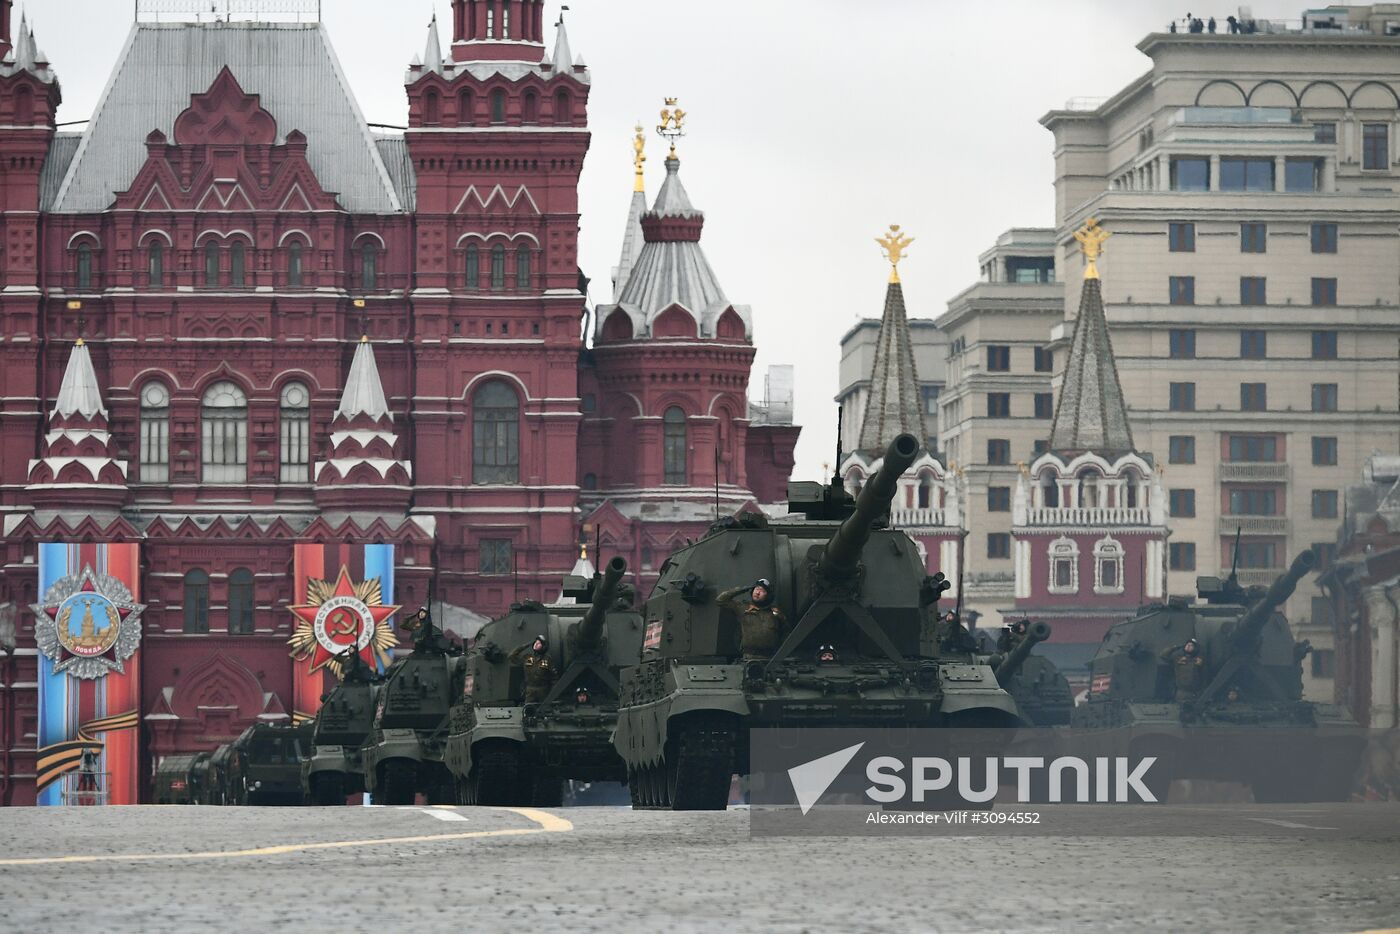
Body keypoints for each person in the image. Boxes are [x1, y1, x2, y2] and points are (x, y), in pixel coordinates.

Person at [715, 579, 786, 661]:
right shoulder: (743, 608)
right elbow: (720, 600)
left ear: (768, 595)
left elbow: (786, 632)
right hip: (749, 657)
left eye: (762, 591)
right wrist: (742, 589)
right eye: (756, 589)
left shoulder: (774, 613)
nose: (757, 592)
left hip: (771, 658)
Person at [509, 634, 558, 703]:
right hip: (530, 690)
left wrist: (552, 694)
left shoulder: (548, 659)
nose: (536, 644)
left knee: (544, 711)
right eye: (535, 642)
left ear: (543, 646)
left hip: (543, 690)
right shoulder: (527, 657)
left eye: (538, 643)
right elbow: (512, 656)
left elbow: (554, 678)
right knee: (528, 710)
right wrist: (525, 646)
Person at [1160, 638, 1206, 702]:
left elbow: (1204, 675)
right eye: (1187, 644)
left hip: (1195, 693)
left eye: (1191, 645)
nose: (1188, 646)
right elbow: (1163, 655)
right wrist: (1174, 647)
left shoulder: (1199, 660)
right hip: (1182, 693)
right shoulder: (1178, 659)